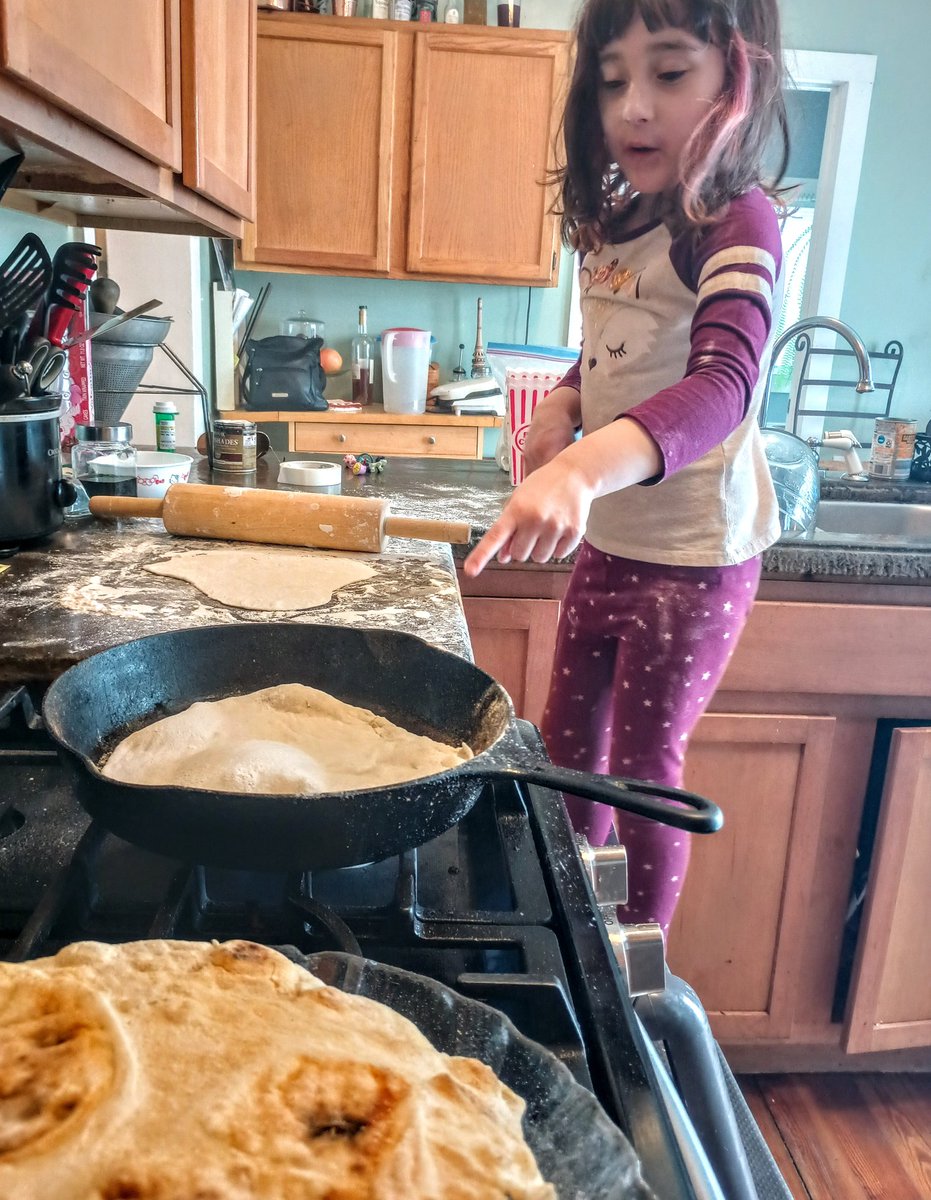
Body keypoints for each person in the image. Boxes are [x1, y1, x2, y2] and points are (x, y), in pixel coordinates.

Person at [464, 0, 789, 935]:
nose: (633, 107)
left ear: (734, 74)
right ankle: (575, 925)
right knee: (568, 749)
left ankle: (632, 958)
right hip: (615, 540)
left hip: (693, 560)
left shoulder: (739, 221)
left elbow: (723, 381)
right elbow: (615, 347)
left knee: (644, 768)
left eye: (669, 73)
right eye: (611, 80)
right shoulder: (622, 223)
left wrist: (579, 471)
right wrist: (566, 406)